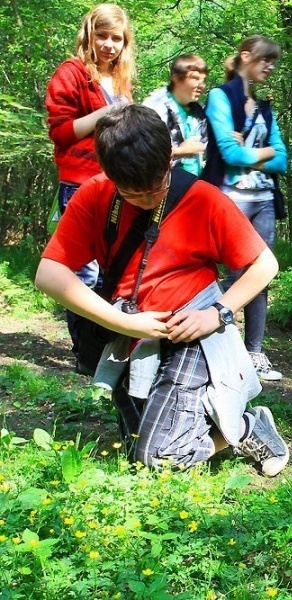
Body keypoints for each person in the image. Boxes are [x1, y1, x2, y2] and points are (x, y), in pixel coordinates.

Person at [34, 104, 290, 475]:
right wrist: (123, 324)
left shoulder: (202, 198)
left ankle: (249, 426)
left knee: (158, 455)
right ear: (109, 174)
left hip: (193, 331)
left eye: (156, 187)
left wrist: (216, 313)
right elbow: (49, 272)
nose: (147, 199)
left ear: (169, 158)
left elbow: (264, 265)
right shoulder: (95, 195)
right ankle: (213, 418)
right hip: (131, 332)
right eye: (132, 194)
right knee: (137, 443)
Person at [45, 3, 135, 372]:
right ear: (89, 34)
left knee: (112, 266)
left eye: (117, 38)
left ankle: (99, 345)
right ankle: (84, 352)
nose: (109, 45)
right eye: (103, 36)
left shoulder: (122, 78)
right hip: (80, 181)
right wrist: (103, 116)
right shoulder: (72, 73)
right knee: (83, 270)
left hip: (117, 181)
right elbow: (61, 132)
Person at [203, 36, 288, 381]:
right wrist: (264, 153)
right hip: (230, 197)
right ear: (246, 57)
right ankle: (217, 344)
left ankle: (255, 353)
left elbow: (281, 159)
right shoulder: (220, 97)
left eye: (274, 62)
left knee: (261, 276)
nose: (269, 67)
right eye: (265, 59)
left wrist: (262, 154)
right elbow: (229, 155)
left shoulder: (265, 107)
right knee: (233, 275)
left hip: (264, 200)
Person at [143, 53, 209, 176]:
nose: (201, 85)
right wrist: (180, 151)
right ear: (176, 77)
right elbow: (141, 152)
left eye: (203, 80)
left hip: (192, 182)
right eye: (195, 78)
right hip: (162, 184)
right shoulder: (155, 107)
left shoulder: (197, 109)